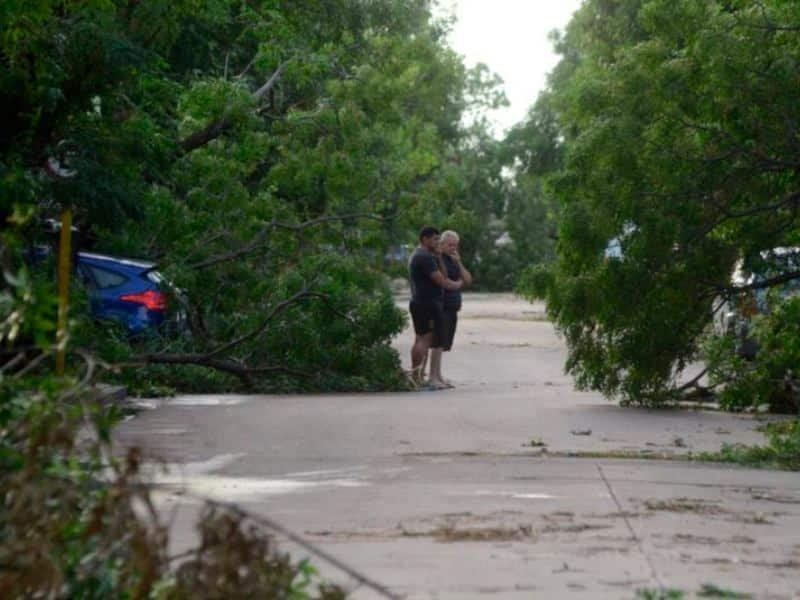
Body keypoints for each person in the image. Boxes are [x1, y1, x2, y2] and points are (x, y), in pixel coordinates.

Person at [408, 227, 463, 387]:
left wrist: (439, 257)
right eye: (434, 239)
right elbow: (441, 280)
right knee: (423, 340)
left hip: (427, 303)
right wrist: (455, 285)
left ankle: (418, 377)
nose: (437, 242)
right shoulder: (423, 257)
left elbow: (443, 274)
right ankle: (416, 376)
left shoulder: (429, 256)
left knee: (424, 339)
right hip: (425, 303)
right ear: (425, 239)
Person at [428, 230, 472, 387]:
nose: (453, 247)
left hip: (453, 307)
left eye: (455, 245)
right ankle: (432, 377)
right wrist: (456, 284)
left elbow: (467, 279)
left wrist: (459, 262)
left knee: (444, 342)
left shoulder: (454, 259)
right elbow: (444, 280)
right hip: (441, 305)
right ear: (442, 244)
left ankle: (439, 376)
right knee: (437, 342)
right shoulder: (437, 258)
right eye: (450, 244)